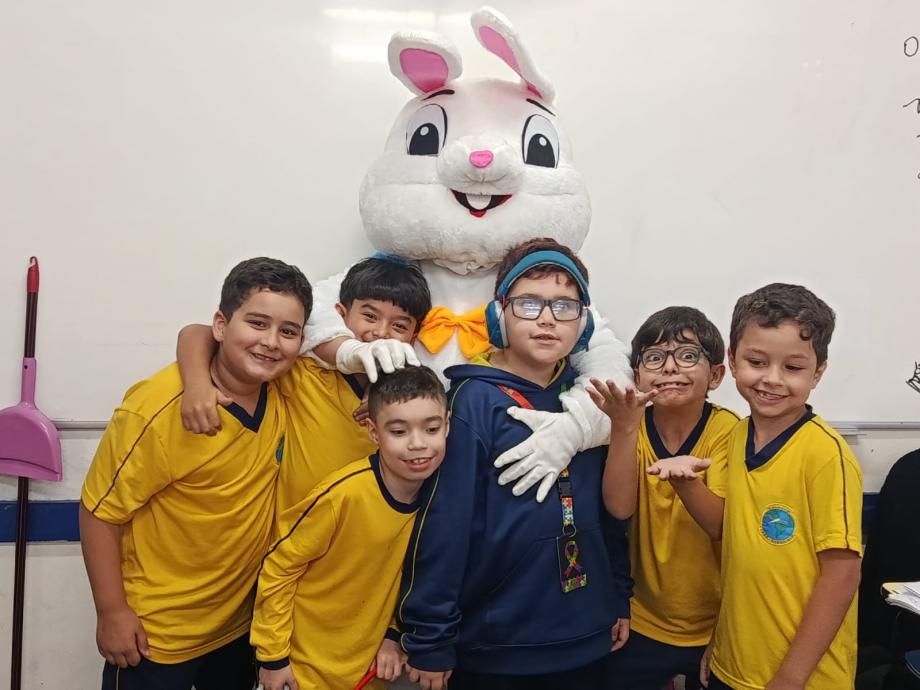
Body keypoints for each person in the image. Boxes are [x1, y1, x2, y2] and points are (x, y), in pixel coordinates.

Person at [396, 238, 631, 690]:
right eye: (529, 303)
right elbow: (444, 526)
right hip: (496, 645)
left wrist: (618, 595)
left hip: (588, 633)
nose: (547, 319)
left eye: (564, 305)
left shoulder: (591, 404)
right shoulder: (472, 402)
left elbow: (610, 517)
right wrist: (430, 638)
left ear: (583, 322)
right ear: (498, 314)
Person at [79, 257, 312, 690]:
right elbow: (99, 512)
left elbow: (195, 333)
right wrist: (111, 612)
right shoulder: (156, 409)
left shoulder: (284, 387)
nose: (271, 342)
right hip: (158, 635)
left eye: (288, 331)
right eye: (257, 323)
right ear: (222, 325)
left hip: (237, 628)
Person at [650, 283, 862, 690]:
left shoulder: (825, 454)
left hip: (801, 678)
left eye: (793, 368)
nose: (772, 379)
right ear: (732, 361)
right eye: (756, 362)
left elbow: (842, 576)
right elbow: (725, 530)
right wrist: (684, 483)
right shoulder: (737, 435)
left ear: (818, 372)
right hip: (733, 665)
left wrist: (790, 678)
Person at [176, 254, 431, 509]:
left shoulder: (409, 399)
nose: (381, 333)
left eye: (399, 326)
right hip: (288, 526)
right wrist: (197, 384)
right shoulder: (303, 371)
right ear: (340, 315)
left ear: (413, 337)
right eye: (370, 316)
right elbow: (198, 333)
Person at [251, 365, 449, 690]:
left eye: (431, 429)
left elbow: (409, 576)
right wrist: (273, 658)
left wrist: (393, 633)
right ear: (374, 432)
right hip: (300, 671)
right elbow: (278, 569)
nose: (417, 444)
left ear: (447, 426)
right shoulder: (342, 495)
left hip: (367, 672)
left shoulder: (439, 501)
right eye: (399, 432)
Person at [588, 306, 738, 690]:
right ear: (637, 375)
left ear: (716, 375)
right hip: (644, 618)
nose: (670, 367)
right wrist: (624, 427)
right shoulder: (631, 424)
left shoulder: (729, 431)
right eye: (654, 357)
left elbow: (721, 525)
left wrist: (685, 481)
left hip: (717, 622)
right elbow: (619, 508)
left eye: (687, 356)